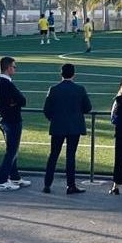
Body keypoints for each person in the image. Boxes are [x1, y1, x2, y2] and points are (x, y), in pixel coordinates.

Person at [42, 63, 92, 194]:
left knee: (53, 155)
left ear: (61, 74)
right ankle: (71, 185)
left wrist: (54, 119)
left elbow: (46, 110)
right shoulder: (80, 89)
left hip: (58, 126)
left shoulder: (53, 89)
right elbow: (88, 108)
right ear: (74, 74)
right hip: (74, 126)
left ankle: (47, 184)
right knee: (71, 156)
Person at [0, 56, 30, 191]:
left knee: (12, 150)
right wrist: (15, 102)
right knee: (11, 151)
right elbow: (22, 100)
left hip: (5, 119)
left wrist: (13, 102)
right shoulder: (6, 83)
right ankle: (2, 181)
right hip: (11, 120)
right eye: (14, 67)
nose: (15, 69)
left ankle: (14, 176)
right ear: (8, 67)